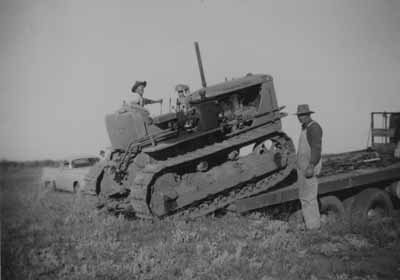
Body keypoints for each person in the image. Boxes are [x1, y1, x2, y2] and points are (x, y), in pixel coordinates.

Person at [295, 104, 323, 230]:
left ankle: (314, 228)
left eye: (302, 115)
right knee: (305, 198)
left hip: (309, 170)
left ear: (308, 115)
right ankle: (310, 225)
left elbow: (316, 148)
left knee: (310, 198)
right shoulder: (305, 128)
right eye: (299, 116)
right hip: (303, 170)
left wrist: (311, 165)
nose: (300, 118)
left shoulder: (314, 128)